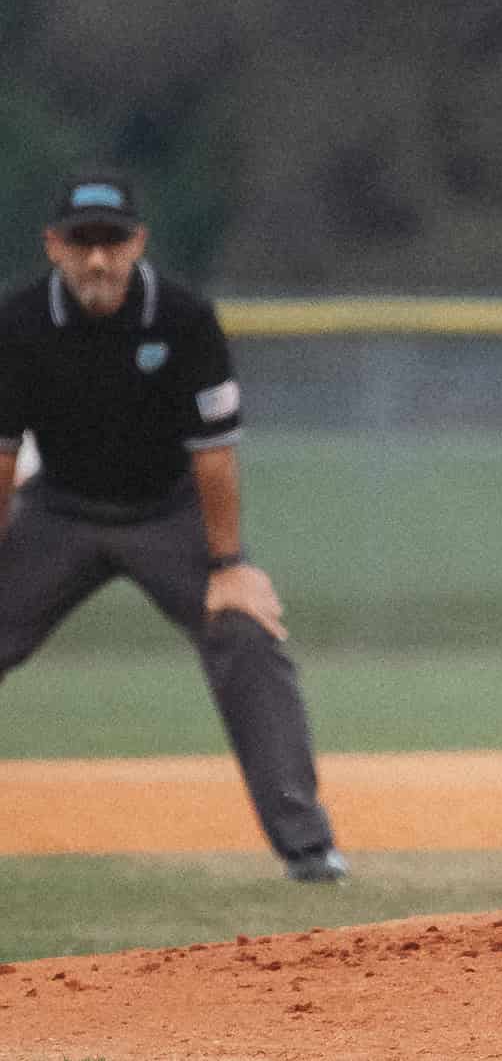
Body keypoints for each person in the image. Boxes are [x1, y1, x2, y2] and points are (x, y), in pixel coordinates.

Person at [0, 173, 348, 883]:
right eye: (80, 242)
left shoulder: (183, 317)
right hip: (58, 511)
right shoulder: (19, 322)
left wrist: (227, 566)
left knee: (246, 633)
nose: (97, 259)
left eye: (112, 241)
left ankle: (308, 848)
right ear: (53, 246)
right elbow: (1, 456)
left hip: (169, 512)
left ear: (139, 243)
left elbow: (214, 456)